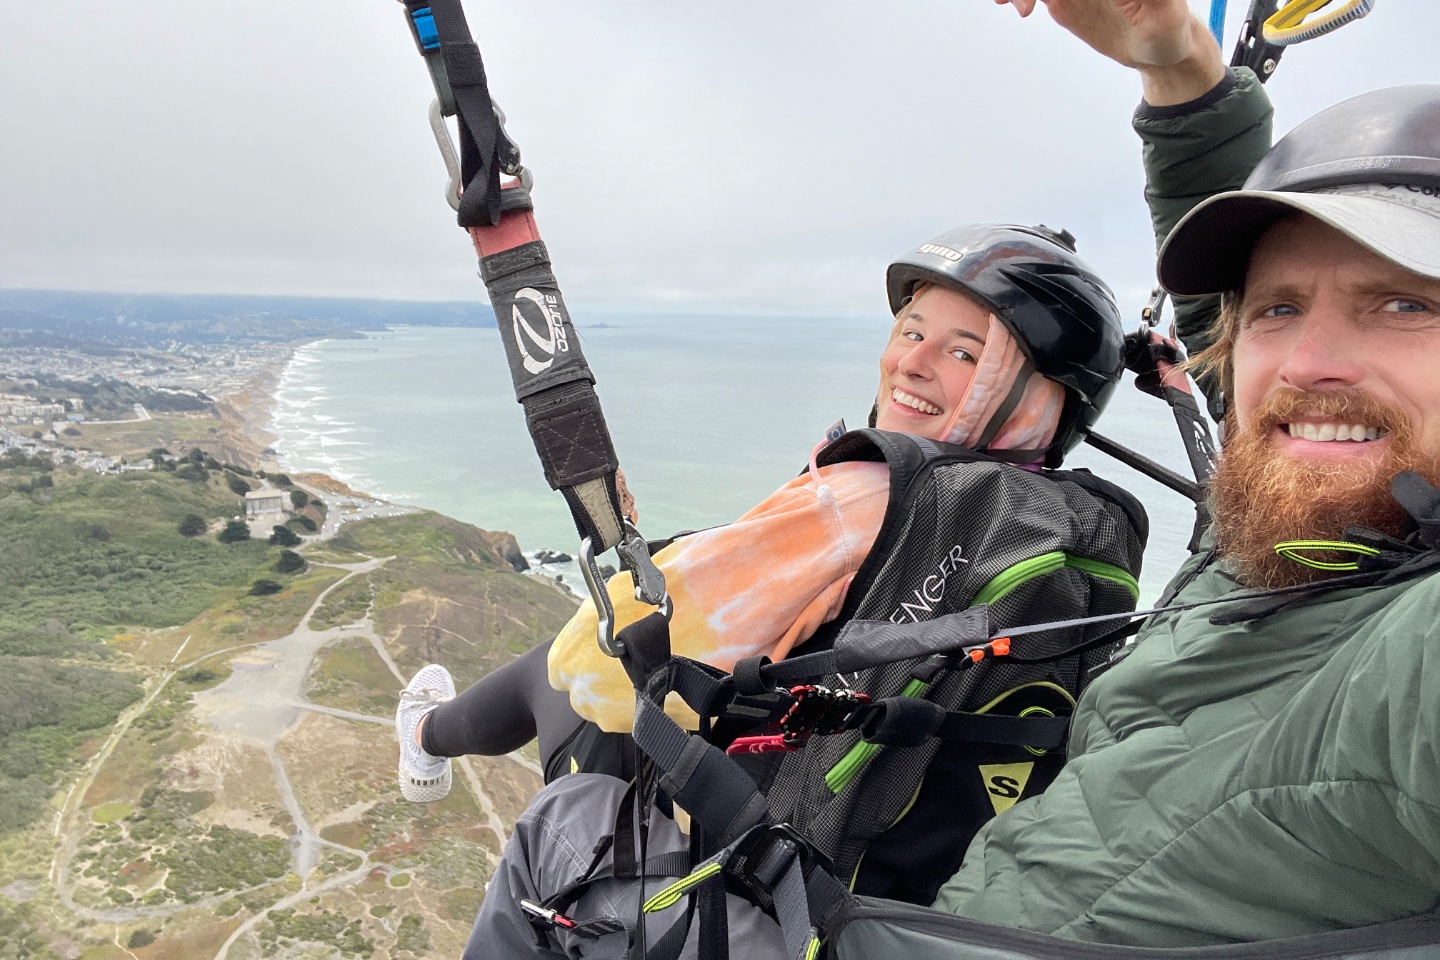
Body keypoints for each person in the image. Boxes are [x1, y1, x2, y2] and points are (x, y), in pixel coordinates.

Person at [443, 222, 1147, 958]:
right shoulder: (1074, 526)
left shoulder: (869, 493)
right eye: (912, 331)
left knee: (565, 803)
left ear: (1043, 399)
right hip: (917, 925)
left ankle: (426, 738)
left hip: (787, 923)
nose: (914, 363)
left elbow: (599, 666)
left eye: (967, 353)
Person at [919, 0, 1440, 945]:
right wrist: (1183, 72)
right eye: (1277, 311)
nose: (1307, 361)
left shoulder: (1406, 655)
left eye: (1405, 303)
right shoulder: (1298, 486)